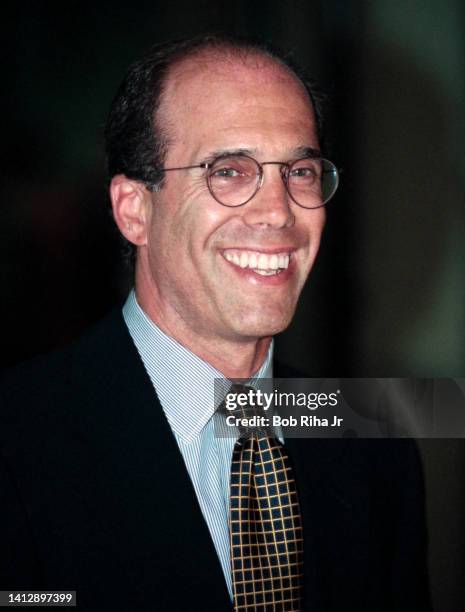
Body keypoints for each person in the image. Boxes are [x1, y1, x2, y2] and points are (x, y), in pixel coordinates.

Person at [0, 35, 431, 611]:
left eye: (299, 171)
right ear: (135, 209)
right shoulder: (17, 439)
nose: (278, 210)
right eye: (229, 171)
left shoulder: (375, 438)